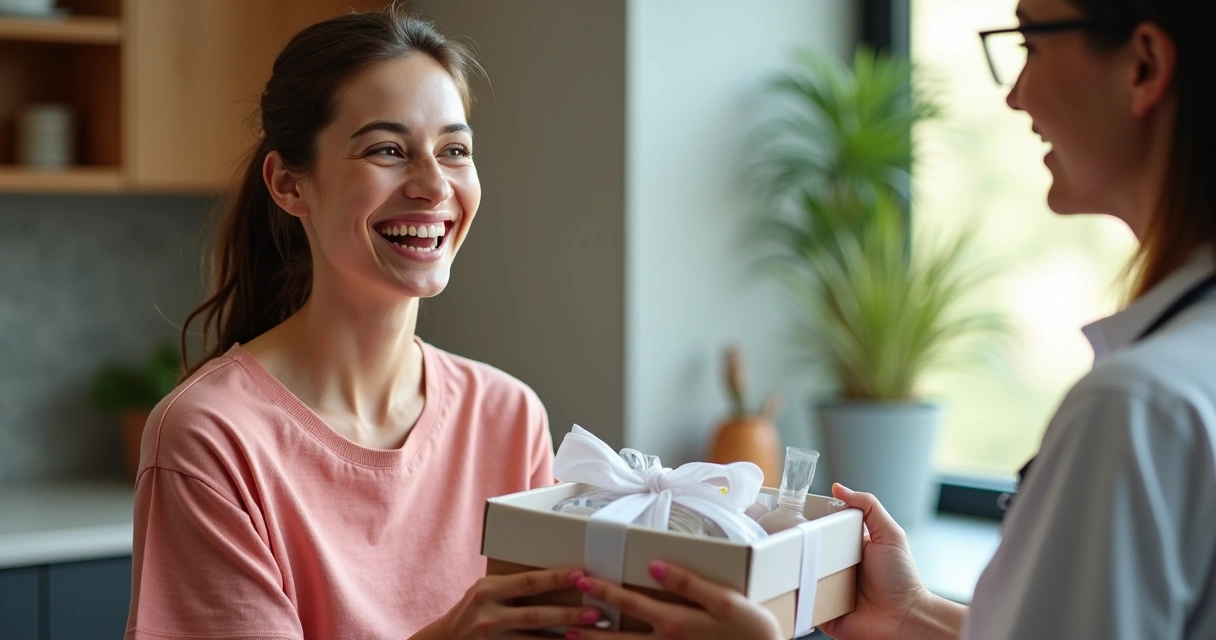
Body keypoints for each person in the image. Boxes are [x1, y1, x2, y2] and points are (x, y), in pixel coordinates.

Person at [569, 0, 1216, 638]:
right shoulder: (1176, 378)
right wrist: (912, 615)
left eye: (1032, 44)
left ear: (1143, 66)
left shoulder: (1136, 407)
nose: (1016, 95)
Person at [124, 5, 605, 639]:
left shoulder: (508, 416)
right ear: (290, 184)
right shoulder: (210, 437)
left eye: (454, 150)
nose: (434, 186)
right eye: (387, 150)